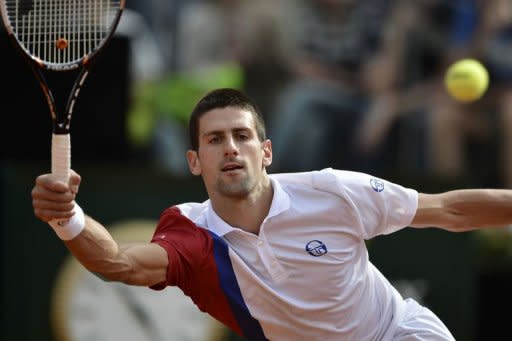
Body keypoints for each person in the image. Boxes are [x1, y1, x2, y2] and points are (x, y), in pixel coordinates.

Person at [32, 88, 512, 340]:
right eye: (215, 140)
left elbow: (447, 210)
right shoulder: (191, 234)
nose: (231, 149)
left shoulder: (330, 191)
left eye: (241, 136)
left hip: (397, 334)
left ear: (266, 152)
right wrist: (67, 217)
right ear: (194, 162)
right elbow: (117, 261)